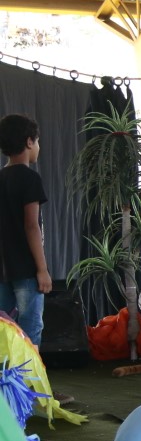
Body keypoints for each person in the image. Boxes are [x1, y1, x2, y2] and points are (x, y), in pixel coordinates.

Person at [0, 114, 51, 347]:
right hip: (25, 269)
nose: (38, 147)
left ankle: (5, 382)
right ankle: (28, 382)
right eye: (37, 142)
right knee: (30, 329)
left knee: (4, 331)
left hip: (2, 269)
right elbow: (32, 226)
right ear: (29, 142)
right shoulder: (30, 178)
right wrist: (42, 269)